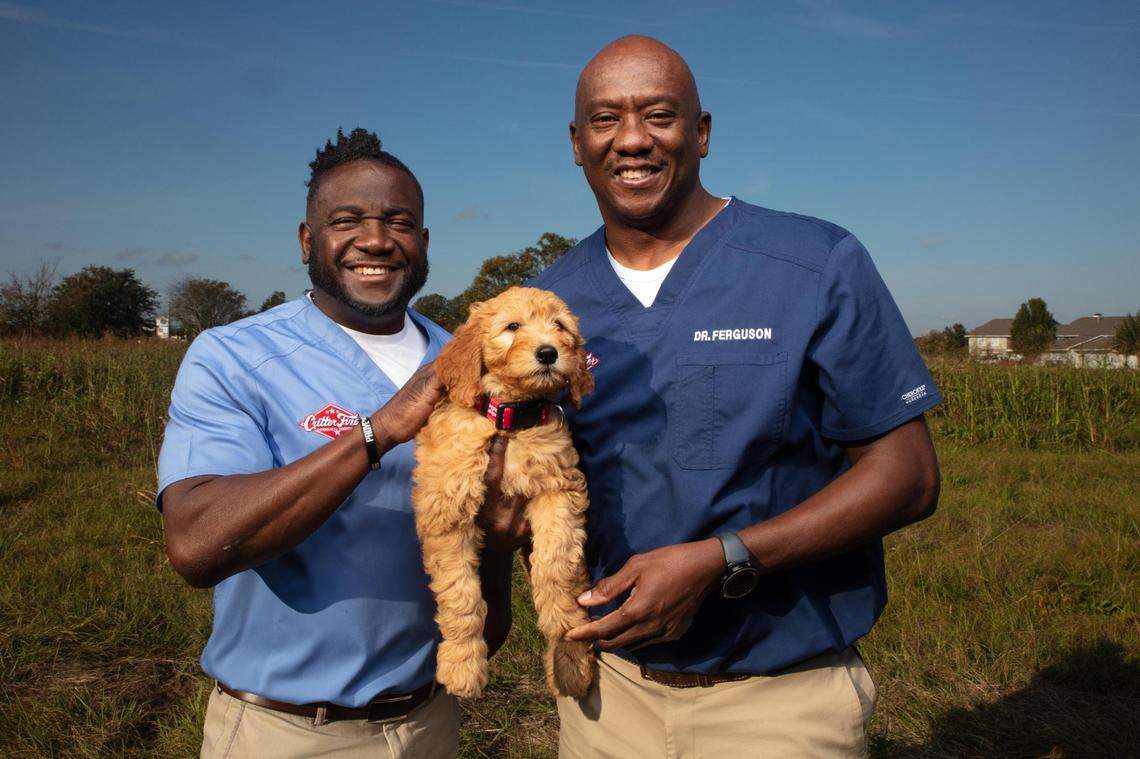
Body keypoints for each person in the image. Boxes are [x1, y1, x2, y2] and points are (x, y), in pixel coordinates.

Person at [529, 37, 943, 757]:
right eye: (605, 119)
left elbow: (908, 477)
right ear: (576, 142)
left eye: (659, 115)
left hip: (780, 702)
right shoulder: (548, 303)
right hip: (608, 700)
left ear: (702, 131)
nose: (632, 139)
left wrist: (722, 559)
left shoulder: (814, 262)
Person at [158, 128, 527, 758]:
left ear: (424, 242)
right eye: (347, 220)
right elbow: (196, 545)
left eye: (399, 222)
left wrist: (499, 539)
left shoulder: (471, 360)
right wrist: (378, 431)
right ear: (308, 240)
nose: (377, 240)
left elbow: (495, 555)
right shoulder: (234, 356)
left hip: (429, 722)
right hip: (288, 729)